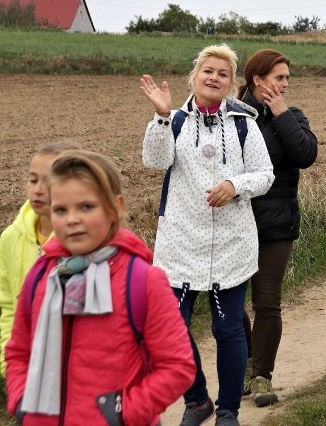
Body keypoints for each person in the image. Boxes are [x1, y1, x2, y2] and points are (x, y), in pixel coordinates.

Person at [5, 150, 195, 424]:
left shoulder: (143, 281)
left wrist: (122, 414)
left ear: (116, 206)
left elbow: (178, 366)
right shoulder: (41, 275)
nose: (72, 219)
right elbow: (19, 351)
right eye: (60, 209)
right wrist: (22, 402)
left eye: (86, 207)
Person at [141, 43, 275, 426]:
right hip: (180, 243)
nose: (214, 77)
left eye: (222, 73)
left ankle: (229, 409)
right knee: (172, 330)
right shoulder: (176, 121)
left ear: (231, 83)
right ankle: (197, 400)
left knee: (227, 326)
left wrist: (235, 184)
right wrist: (162, 115)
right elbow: (154, 161)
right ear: (194, 77)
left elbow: (265, 175)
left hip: (231, 244)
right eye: (207, 71)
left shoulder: (243, 123)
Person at [237, 49, 318, 407]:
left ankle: (260, 376)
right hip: (233, 223)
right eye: (278, 77)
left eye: (287, 78)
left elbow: (306, 155)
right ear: (257, 79)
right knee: (231, 301)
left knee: (267, 302)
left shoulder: (292, 115)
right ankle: (242, 365)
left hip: (276, 223)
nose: (285, 84)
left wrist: (282, 114)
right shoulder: (232, 117)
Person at [0, 140, 81, 377]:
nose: (37, 189)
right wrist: (10, 365)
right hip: (27, 374)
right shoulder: (10, 238)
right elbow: (6, 305)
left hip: (77, 372)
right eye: (33, 179)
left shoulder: (84, 243)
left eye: (48, 182)